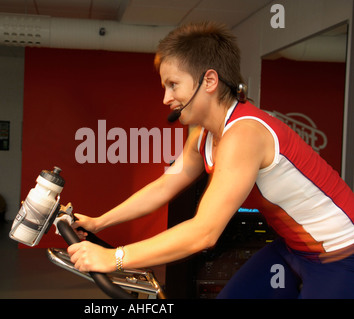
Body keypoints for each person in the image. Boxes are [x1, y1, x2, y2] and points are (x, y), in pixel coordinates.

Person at [67, 21, 354, 298]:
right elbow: (164, 187)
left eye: (173, 85)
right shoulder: (203, 135)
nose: (166, 98)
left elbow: (204, 233)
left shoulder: (244, 135)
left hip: (341, 253)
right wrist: (99, 222)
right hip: (294, 248)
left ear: (210, 81)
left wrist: (114, 258)